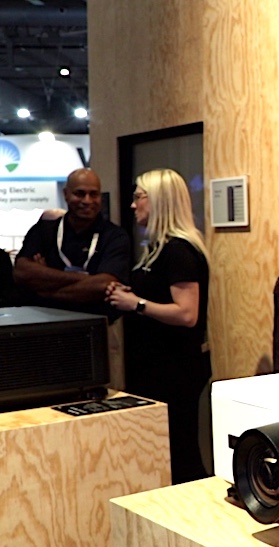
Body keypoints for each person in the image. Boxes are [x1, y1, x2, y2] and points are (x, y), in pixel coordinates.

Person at [106, 169, 211, 484]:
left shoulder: (179, 250)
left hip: (175, 370)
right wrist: (130, 295)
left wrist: (135, 303)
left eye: (139, 197)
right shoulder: (157, 249)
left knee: (179, 450)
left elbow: (187, 314)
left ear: (159, 200)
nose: (133, 205)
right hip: (155, 367)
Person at [14, 168, 130, 317]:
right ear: (66, 194)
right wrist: (88, 279)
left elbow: (105, 285)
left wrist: (44, 286)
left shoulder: (115, 236)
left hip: (95, 323)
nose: (87, 201)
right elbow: (22, 272)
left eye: (94, 194)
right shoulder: (43, 230)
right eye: (80, 193)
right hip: (45, 320)